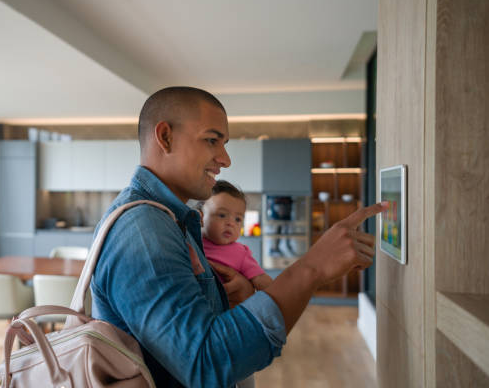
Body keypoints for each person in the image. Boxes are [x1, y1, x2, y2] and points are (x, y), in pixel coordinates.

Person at [90, 86, 386, 387]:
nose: (225, 159)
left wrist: (237, 298)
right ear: (165, 137)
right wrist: (312, 268)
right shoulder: (144, 231)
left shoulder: (170, 220)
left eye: (224, 143)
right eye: (211, 140)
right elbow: (205, 364)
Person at [199, 180, 272, 292]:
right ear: (200, 217)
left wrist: (279, 298)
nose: (231, 223)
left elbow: (260, 278)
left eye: (238, 219)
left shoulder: (240, 253)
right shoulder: (191, 241)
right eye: (222, 215)